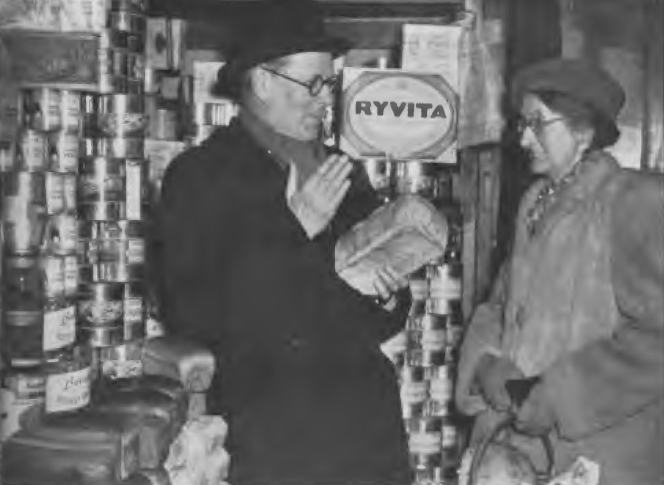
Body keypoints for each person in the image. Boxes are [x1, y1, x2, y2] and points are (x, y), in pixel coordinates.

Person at [150, 1, 412, 484]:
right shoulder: (200, 176)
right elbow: (192, 312)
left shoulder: (342, 170)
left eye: (329, 83)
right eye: (312, 84)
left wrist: (389, 290)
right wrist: (292, 228)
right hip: (273, 441)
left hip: (366, 437)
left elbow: (385, 314)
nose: (324, 99)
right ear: (263, 81)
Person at [455, 58, 664, 485]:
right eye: (520, 123)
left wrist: (559, 396)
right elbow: (498, 307)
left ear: (583, 130)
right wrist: (485, 365)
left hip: (598, 459)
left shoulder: (632, 200)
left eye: (537, 123)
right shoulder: (534, 203)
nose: (522, 136)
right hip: (518, 455)